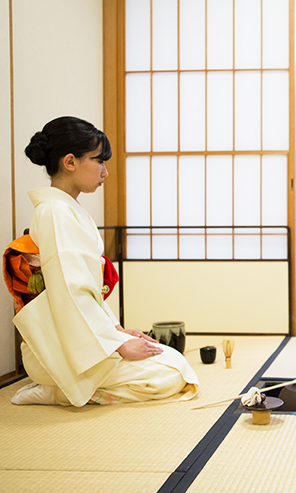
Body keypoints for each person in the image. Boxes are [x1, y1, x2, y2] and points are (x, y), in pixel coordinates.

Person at [10, 116, 199, 406]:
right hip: (58, 347)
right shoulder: (55, 213)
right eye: (99, 161)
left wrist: (118, 332)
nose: (105, 172)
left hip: (76, 337)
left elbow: (84, 292)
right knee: (169, 378)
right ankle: (61, 391)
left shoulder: (66, 210)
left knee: (172, 361)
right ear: (70, 162)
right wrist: (120, 344)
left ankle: (71, 387)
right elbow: (70, 294)